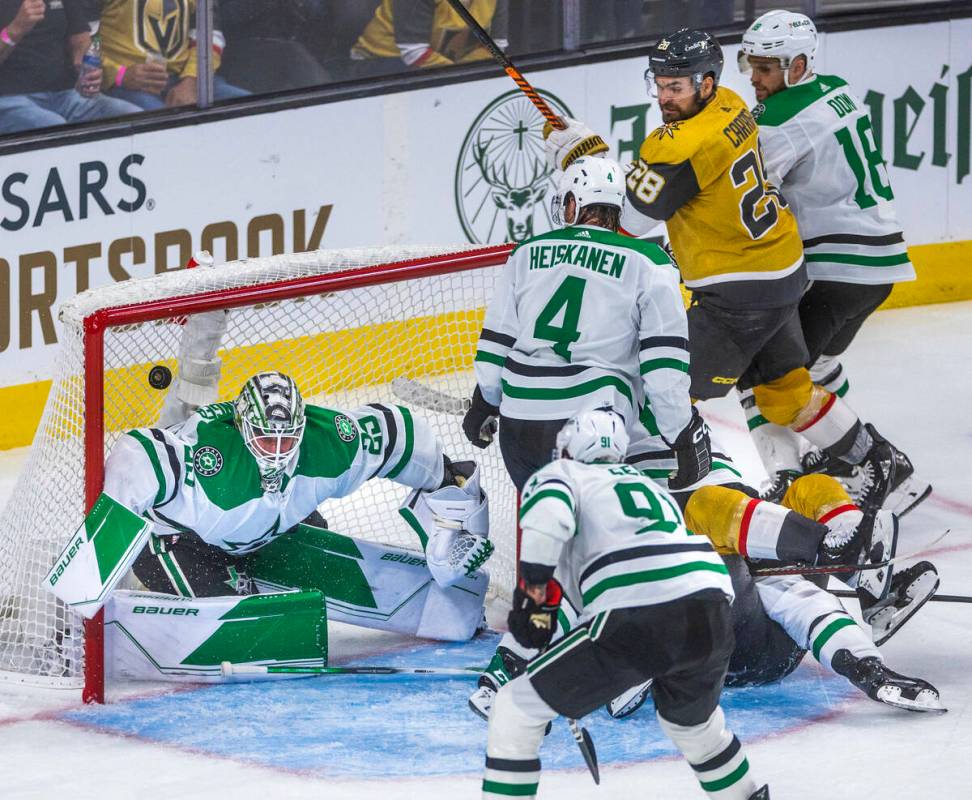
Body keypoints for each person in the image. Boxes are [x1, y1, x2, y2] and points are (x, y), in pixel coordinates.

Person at [543, 28, 904, 515]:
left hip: (739, 295)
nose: (666, 97)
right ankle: (879, 460)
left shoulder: (676, 146)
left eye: (678, 87)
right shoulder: (734, 105)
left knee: (658, 387)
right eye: (661, 84)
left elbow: (627, 221)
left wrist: (582, 157)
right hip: (783, 270)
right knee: (783, 391)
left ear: (707, 82)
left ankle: (664, 501)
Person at [472, 412, 942, 738]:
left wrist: (869, 670)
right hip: (724, 643)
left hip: (749, 618)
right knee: (729, 540)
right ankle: (852, 582)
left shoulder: (640, 481)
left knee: (809, 489)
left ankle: (857, 568)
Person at [481, 409, 768, 800]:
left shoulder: (562, 476)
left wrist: (534, 599)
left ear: (567, 450)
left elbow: (548, 522)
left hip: (639, 613)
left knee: (514, 711)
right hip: (712, 609)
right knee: (696, 729)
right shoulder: (649, 488)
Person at [103, 371, 493, 638]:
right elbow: (134, 454)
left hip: (265, 530)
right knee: (254, 631)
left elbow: (399, 434)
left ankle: (252, 569)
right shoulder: (206, 455)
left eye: (287, 440)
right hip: (177, 541)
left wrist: (452, 496)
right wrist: (97, 569)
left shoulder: (330, 441)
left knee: (316, 567)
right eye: (265, 441)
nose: (277, 453)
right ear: (242, 429)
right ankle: (158, 589)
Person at [736, 10, 929, 515]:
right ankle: (860, 463)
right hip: (878, 265)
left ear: (797, 65)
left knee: (765, 373)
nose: (755, 79)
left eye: (766, 69)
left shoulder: (778, 121)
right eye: (751, 66)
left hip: (834, 270)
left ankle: (846, 469)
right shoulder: (835, 88)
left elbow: (750, 199)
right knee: (814, 365)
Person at [462, 155, 712, 497]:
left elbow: (494, 348)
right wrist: (682, 433)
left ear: (572, 202)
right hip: (593, 428)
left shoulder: (525, 252)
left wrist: (486, 402)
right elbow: (662, 369)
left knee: (548, 534)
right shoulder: (649, 262)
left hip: (520, 430)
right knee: (596, 539)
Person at [0, 0, 139, 134]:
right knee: (56, 129)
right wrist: (15, 30)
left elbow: (81, 39)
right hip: (10, 98)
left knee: (134, 116)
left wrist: (88, 66)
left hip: (67, 94)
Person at [98, 0, 248, 110]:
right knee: (169, 128)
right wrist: (118, 75)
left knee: (252, 110)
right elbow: (82, 42)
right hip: (126, 86)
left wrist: (192, 81)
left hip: (190, 79)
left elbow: (210, 33)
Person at [350, 0, 508, 79]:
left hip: (446, 66)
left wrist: (470, 71)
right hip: (379, 62)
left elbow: (496, 49)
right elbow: (414, 53)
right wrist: (463, 76)